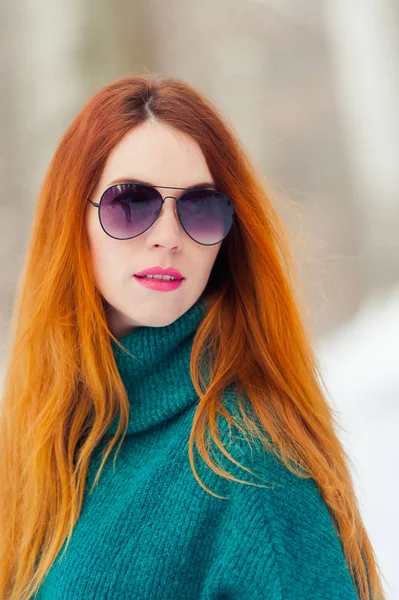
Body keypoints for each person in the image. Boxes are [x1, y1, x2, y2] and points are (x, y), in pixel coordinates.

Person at [0, 74, 386, 600]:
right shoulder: (44, 437)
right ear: (72, 221)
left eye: (200, 207)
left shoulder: (247, 463)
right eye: (130, 203)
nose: (168, 236)